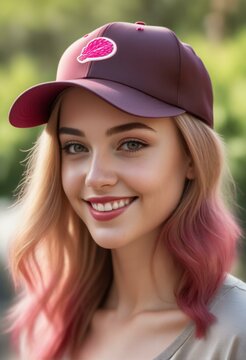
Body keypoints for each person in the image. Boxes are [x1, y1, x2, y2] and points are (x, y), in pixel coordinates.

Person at [6, 21, 246, 360]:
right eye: (75, 147)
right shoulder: (50, 327)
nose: (95, 177)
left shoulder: (236, 332)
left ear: (192, 157)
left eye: (131, 143)